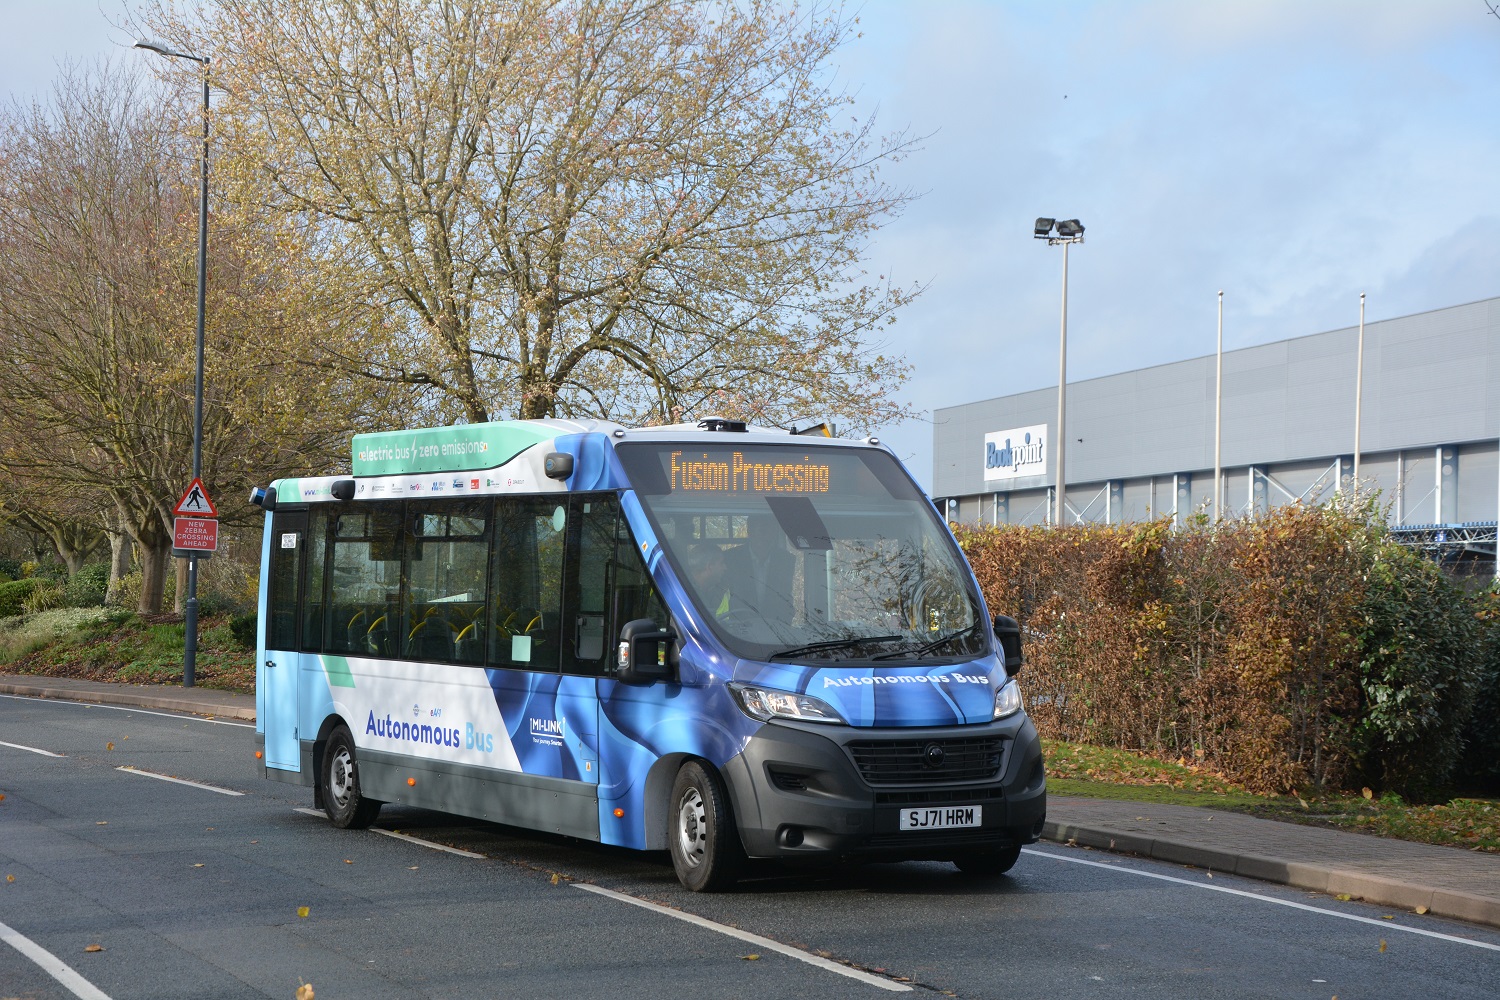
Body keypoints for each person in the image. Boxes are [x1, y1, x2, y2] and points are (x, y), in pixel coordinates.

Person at [685, 542, 733, 618]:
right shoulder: (687, 595)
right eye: (722, 563)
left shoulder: (712, 590)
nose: (725, 568)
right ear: (709, 566)